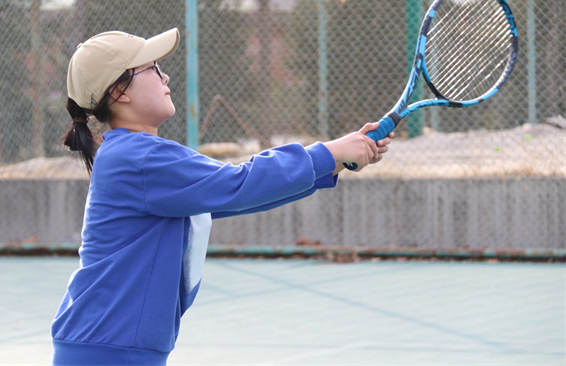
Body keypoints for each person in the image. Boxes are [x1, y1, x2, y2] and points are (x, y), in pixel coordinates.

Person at [51, 28, 393, 365]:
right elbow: (239, 182)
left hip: (111, 346)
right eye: (151, 68)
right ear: (119, 91)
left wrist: (331, 163)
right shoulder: (139, 157)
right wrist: (327, 154)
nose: (165, 75)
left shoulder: (137, 154)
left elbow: (237, 193)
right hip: (107, 350)